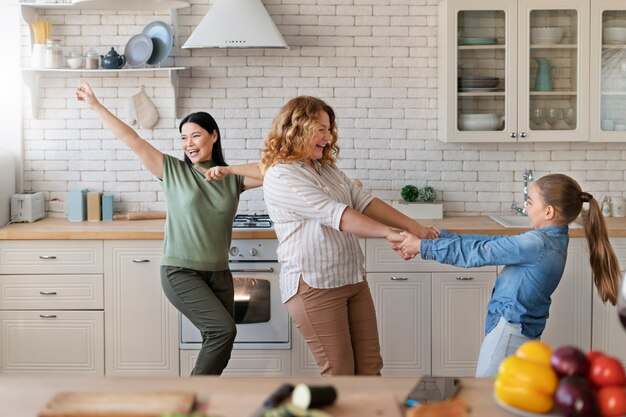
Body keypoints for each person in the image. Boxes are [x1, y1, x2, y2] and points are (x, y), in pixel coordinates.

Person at [75, 80, 262, 375]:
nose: (188, 143)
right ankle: (190, 401)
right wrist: (96, 105)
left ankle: (205, 401)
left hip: (219, 274)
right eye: (184, 137)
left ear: (213, 136)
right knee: (222, 331)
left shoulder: (232, 179)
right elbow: (133, 140)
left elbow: (274, 170)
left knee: (220, 340)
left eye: (196, 135)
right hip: (180, 271)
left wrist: (230, 169)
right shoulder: (173, 171)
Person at [258, 96, 439, 376]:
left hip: (351, 280)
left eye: (329, 129)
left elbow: (363, 200)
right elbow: (337, 214)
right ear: (298, 128)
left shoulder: (325, 169)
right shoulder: (282, 175)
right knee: (340, 374)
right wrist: (391, 235)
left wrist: (414, 227)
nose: (328, 137)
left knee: (370, 369)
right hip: (315, 286)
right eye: (320, 129)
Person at [390, 173, 621, 377]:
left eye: (530, 202)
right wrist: (443, 238)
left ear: (549, 211)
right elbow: (495, 243)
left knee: (486, 405)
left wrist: (423, 247)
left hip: (508, 339)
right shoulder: (553, 239)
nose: (526, 208)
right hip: (523, 336)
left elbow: (480, 253)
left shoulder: (536, 243)